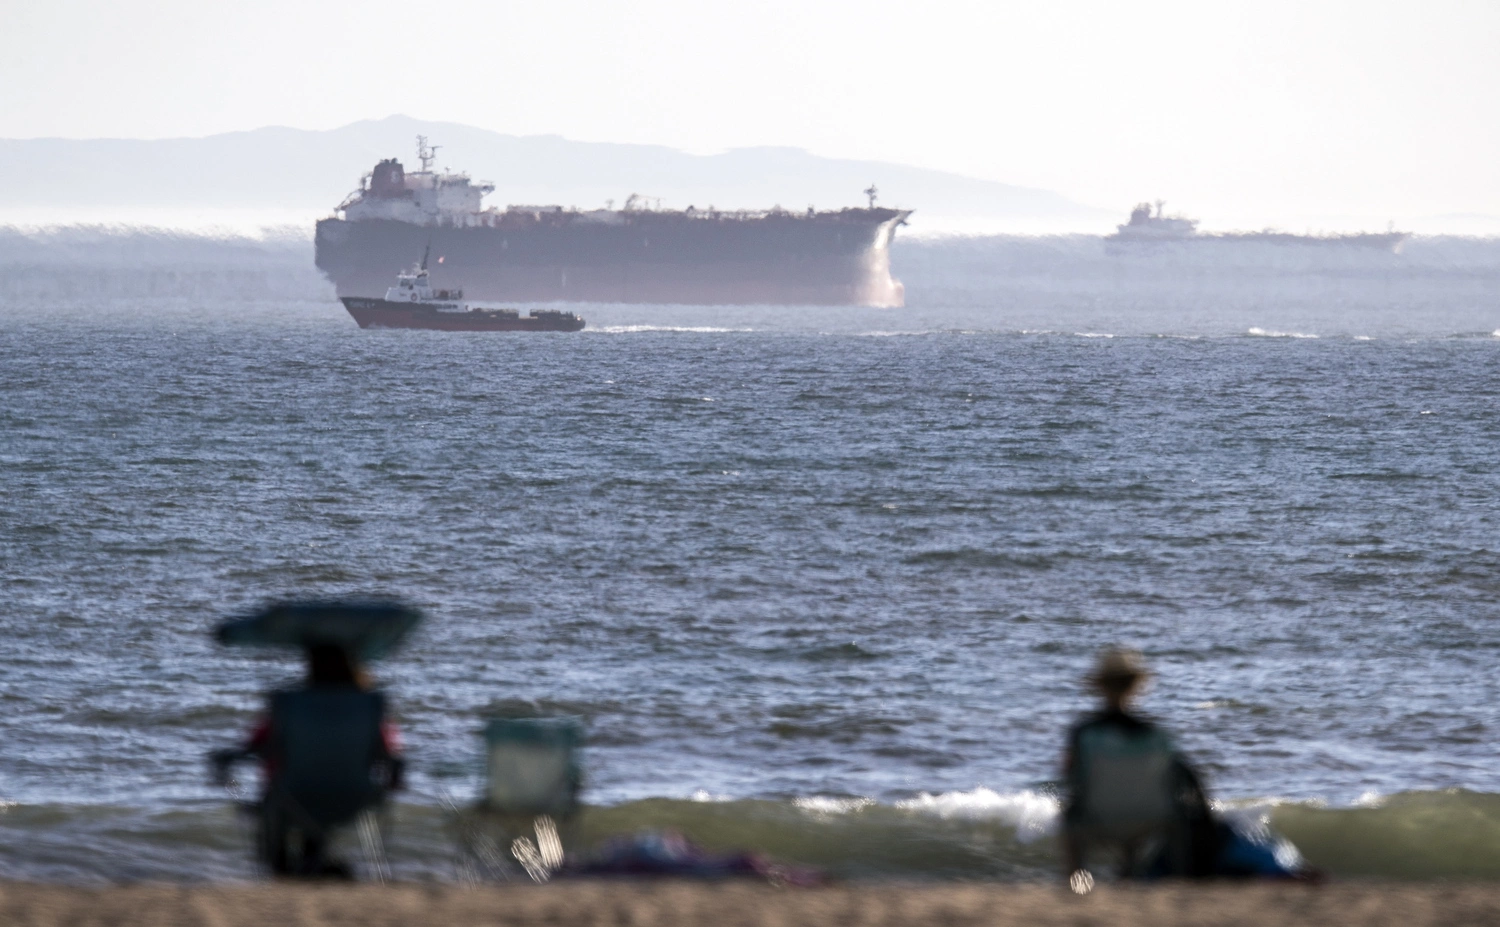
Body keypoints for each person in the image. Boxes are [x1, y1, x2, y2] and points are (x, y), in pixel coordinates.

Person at [212, 643, 404, 877]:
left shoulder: (290, 705)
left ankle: (283, 867)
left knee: (285, 805)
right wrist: (391, 781)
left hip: (291, 793)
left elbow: (258, 745)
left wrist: (227, 760)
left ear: (310, 666)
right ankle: (315, 859)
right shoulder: (370, 706)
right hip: (354, 796)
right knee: (318, 806)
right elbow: (390, 755)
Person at [1060, 647, 1216, 888]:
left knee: (1069, 814)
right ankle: (1178, 884)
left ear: (1100, 686)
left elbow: (1073, 781)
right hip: (1153, 819)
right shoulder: (1157, 736)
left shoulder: (1084, 734)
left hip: (1100, 819)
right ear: (1136, 686)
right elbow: (1181, 780)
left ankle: (1080, 886)